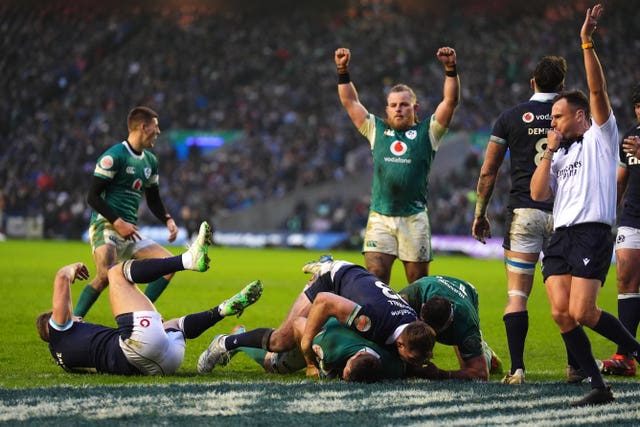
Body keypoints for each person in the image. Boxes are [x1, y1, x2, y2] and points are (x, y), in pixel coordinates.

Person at [530, 4, 640, 406]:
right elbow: (540, 194)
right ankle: (598, 387)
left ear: (580, 117)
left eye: (558, 117)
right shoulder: (558, 154)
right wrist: (548, 152)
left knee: (583, 311)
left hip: (592, 232)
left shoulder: (600, 136)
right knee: (561, 313)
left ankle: (636, 353)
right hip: (560, 236)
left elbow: (597, 91)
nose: (552, 123)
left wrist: (586, 42)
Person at [471, 56, 585, 384]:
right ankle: (575, 367)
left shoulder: (509, 117)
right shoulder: (573, 116)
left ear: (532, 82)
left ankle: (517, 369)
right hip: (564, 213)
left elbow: (488, 171)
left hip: (524, 212)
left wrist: (480, 213)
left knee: (517, 294)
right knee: (564, 295)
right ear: (562, 86)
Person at [36, 221, 264, 375]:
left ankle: (223, 309)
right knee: (116, 272)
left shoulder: (62, 358)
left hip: (164, 364)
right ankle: (187, 260)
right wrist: (73, 267)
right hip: (137, 345)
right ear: (54, 323)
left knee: (174, 325)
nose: (78, 317)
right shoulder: (60, 330)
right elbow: (61, 277)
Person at [335, 46, 460, 285]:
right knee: (375, 279)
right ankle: (384, 323)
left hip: (414, 218)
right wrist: (342, 70)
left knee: (417, 283)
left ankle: (415, 323)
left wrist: (450, 69)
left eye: (404, 104)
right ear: (387, 109)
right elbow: (350, 101)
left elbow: (450, 101)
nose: (398, 109)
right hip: (380, 217)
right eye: (393, 105)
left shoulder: (428, 132)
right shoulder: (376, 129)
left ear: (415, 108)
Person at [197, 256, 435, 373]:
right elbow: (324, 302)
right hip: (331, 283)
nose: (416, 364)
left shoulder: (412, 324)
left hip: (355, 283)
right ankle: (224, 343)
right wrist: (308, 352)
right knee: (282, 340)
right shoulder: (371, 322)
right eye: (413, 358)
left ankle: (326, 262)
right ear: (401, 343)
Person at [74, 106, 181, 318]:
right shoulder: (114, 156)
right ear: (143, 127)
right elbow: (92, 197)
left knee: (168, 265)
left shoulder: (151, 161)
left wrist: (167, 219)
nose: (158, 132)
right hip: (107, 225)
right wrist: (118, 222)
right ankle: (73, 321)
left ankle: (143, 313)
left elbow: (153, 198)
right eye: (156, 127)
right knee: (105, 276)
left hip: (130, 229)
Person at [600, 84, 640, 376]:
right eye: (638, 105)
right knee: (625, 278)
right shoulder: (631, 136)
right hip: (634, 218)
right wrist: (606, 215)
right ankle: (626, 355)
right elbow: (620, 180)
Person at [398, 275, 501, 381]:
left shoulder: (465, 324)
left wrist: (440, 374)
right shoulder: (411, 297)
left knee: (467, 367)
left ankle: (487, 354)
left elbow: (480, 374)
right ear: (422, 308)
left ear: (448, 324)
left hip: (466, 291)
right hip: (430, 284)